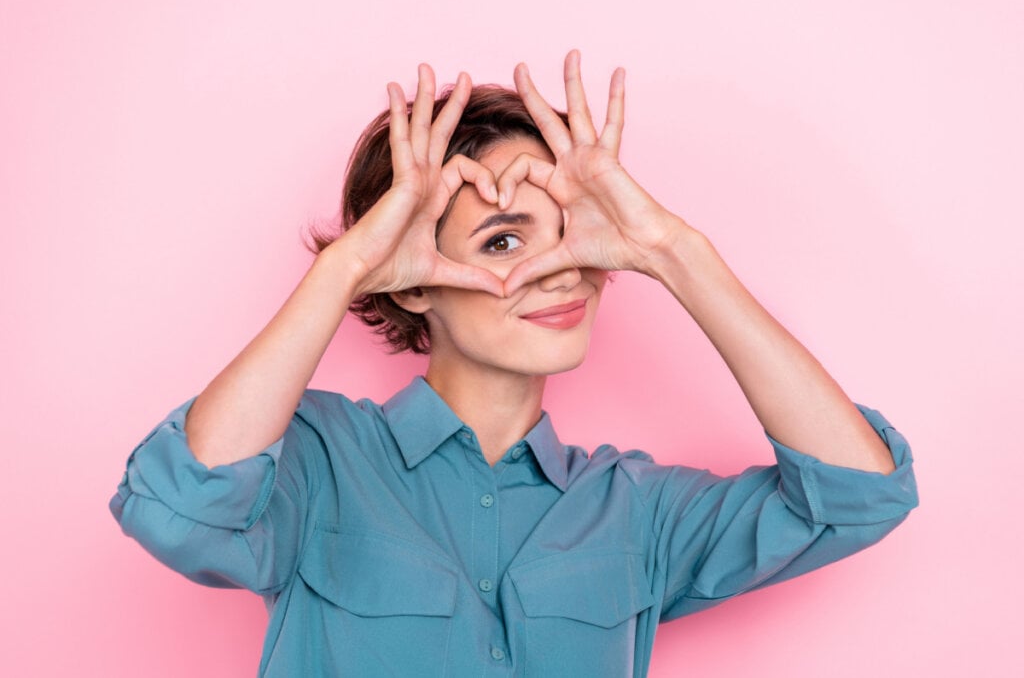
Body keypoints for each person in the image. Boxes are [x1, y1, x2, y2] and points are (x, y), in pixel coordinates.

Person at [110, 51, 918, 677]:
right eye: (503, 238)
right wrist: (344, 268)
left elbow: (859, 493)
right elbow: (179, 509)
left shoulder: (637, 509)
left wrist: (673, 251)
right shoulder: (316, 458)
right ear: (416, 276)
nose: (559, 269)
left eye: (570, 232)